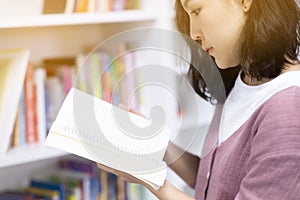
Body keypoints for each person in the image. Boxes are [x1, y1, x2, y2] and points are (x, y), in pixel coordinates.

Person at [97, 0, 300, 199]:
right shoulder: (241, 80)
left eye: (196, 11)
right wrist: (155, 142)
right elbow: (212, 180)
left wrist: (152, 181)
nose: (193, 33)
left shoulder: (288, 109)